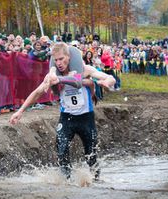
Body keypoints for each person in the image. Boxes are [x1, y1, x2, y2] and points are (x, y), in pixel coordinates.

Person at [9, 42, 116, 180]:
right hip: (67, 119)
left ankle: (96, 181)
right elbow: (37, 92)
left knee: (91, 156)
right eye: (56, 60)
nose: (59, 63)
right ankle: (66, 183)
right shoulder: (53, 76)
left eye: (61, 59)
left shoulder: (84, 69)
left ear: (69, 57)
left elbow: (109, 77)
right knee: (62, 149)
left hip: (86, 119)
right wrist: (20, 111)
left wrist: (107, 82)